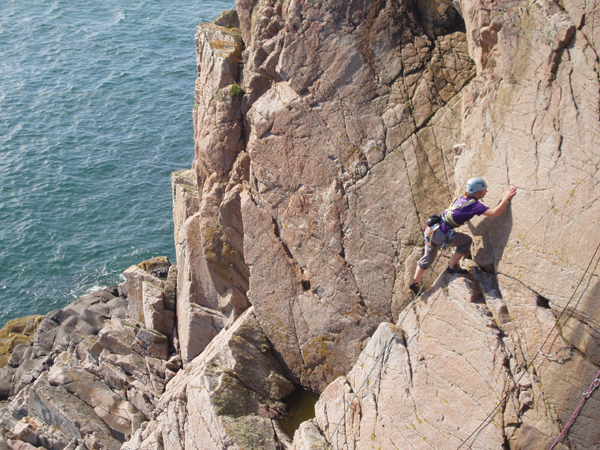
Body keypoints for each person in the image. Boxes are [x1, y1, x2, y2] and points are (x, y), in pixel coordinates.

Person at [409, 178, 517, 296]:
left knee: (428, 256)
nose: (486, 191)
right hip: (441, 233)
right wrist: (506, 198)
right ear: (477, 192)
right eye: (484, 189)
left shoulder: (462, 198)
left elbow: (460, 212)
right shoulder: (475, 205)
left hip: (431, 229)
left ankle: (416, 282)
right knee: (466, 241)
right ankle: (452, 266)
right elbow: (495, 213)